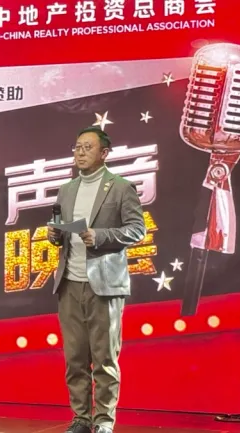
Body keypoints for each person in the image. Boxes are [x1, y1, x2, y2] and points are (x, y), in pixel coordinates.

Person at [48, 127, 146, 433]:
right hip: (69, 282)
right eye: (77, 147)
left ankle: (104, 420)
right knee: (75, 358)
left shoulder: (120, 187)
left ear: (104, 153)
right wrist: (55, 234)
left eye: (87, 147)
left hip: (104, 283)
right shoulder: (66, 189)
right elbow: (62, 231)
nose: (80, 152)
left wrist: (99, 236)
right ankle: (81, 418)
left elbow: (137, 229)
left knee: (104, 358)